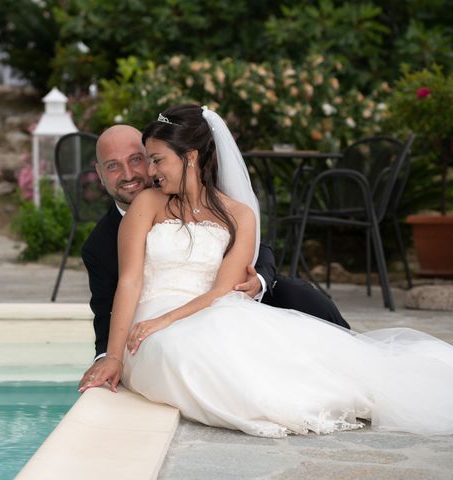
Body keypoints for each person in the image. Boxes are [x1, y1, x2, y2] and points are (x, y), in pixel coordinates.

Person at [79, 104, 453, 437]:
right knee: (186, 353)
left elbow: (222, 290)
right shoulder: (148, 203)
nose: (150, 171)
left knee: (277, 340)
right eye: (149, 160)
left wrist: (170, 319)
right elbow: (128, 281)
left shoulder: (239, 214)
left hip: (212, 308)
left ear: (190, 156)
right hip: (152, 319)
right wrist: (112, 356)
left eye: (156, 159)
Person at [82, 124, 349, 361]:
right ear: (100, 173)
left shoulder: (205, 196)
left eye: (138, 159)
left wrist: (259, 280)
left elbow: (257, 246)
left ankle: (349, 345)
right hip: (162, 320)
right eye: (113, 166)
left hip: (232, 299)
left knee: (300, 297)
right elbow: (106, 312)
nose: (129, 174)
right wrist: (109, 358)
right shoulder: (98, 246)